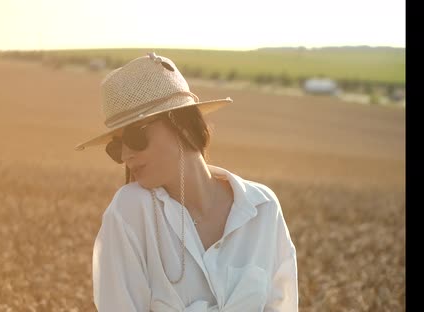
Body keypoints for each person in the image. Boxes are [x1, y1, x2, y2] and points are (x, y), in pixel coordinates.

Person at [74, 52, 298, 311]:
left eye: (135, 137)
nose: (126, 155)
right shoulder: (130, 211)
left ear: (179, 124)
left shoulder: (264, 208)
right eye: (116, 146)